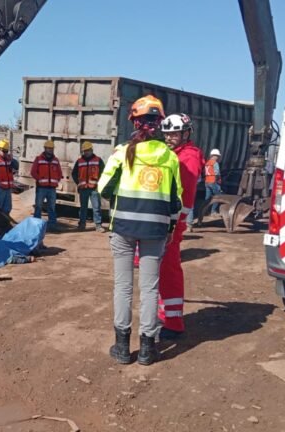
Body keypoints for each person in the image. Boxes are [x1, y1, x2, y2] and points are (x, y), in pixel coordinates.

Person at [98, 95, 182, 366]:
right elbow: (175, 200)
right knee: (149, 289)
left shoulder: (123, 152)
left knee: (123, 287)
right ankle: (147, 349)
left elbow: (103, 188)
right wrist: (169, 227)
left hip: (122, 227)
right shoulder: (170, 157)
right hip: (156, 231)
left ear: (134, 121)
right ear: (158, 123)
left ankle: (122, 347)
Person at [157, 113, 205, 340]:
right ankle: (164, 315)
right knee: (159, 271)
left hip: (172, 224)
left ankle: (173, 322)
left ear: (186, 133)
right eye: (167, 134)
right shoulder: (173, 154)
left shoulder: (188, 157)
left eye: (174, 134)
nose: (169, 138)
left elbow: (185, 196)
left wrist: (174, 226)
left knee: (168, 270)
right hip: (165, 221)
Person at [71, 141, 106, 232]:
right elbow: (74, 173)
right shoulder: (79, 161)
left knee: (96, 207)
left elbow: (104, 173)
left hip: (94, 188)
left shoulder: (98, 160)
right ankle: (82, 225)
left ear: (91, 150)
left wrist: (99, 184)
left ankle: (98, 225)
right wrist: (78, 183)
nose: (86, 152)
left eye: (88, 150)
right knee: (83, 208)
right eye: (84, 151)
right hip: (83, 189)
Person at [31, 140, 62, 230]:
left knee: (52, 207)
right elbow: (33, 172)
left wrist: (57, 180)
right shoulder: (38, 159)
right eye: (49, 148)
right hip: (41, 188)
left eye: (51, 148)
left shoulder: (56, 160)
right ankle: (36, 226)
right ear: (45, 149)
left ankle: (52, 225)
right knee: (38, 207)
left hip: (52, 188)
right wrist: (39, 180)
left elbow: (59, 173)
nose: (50, 150)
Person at [0, 138, 18, 214]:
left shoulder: (8, 160)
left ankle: (5, 223)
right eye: (4, 151)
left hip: (7, 189)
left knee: (8, 208)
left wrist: (12, 159)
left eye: (6, 151)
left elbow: (17, 166)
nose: (5, 153)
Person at [205, 149, 223, 215]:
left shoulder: (207, 163)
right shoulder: (215, 163)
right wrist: (218, 182)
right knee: (218, 197)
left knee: (207, 198)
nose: (218, 158)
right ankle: (213, 211)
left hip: (207, 182)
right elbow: (217, 173)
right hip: (213, 182)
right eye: (218, 156)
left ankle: (204, 211)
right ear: (215, 156)